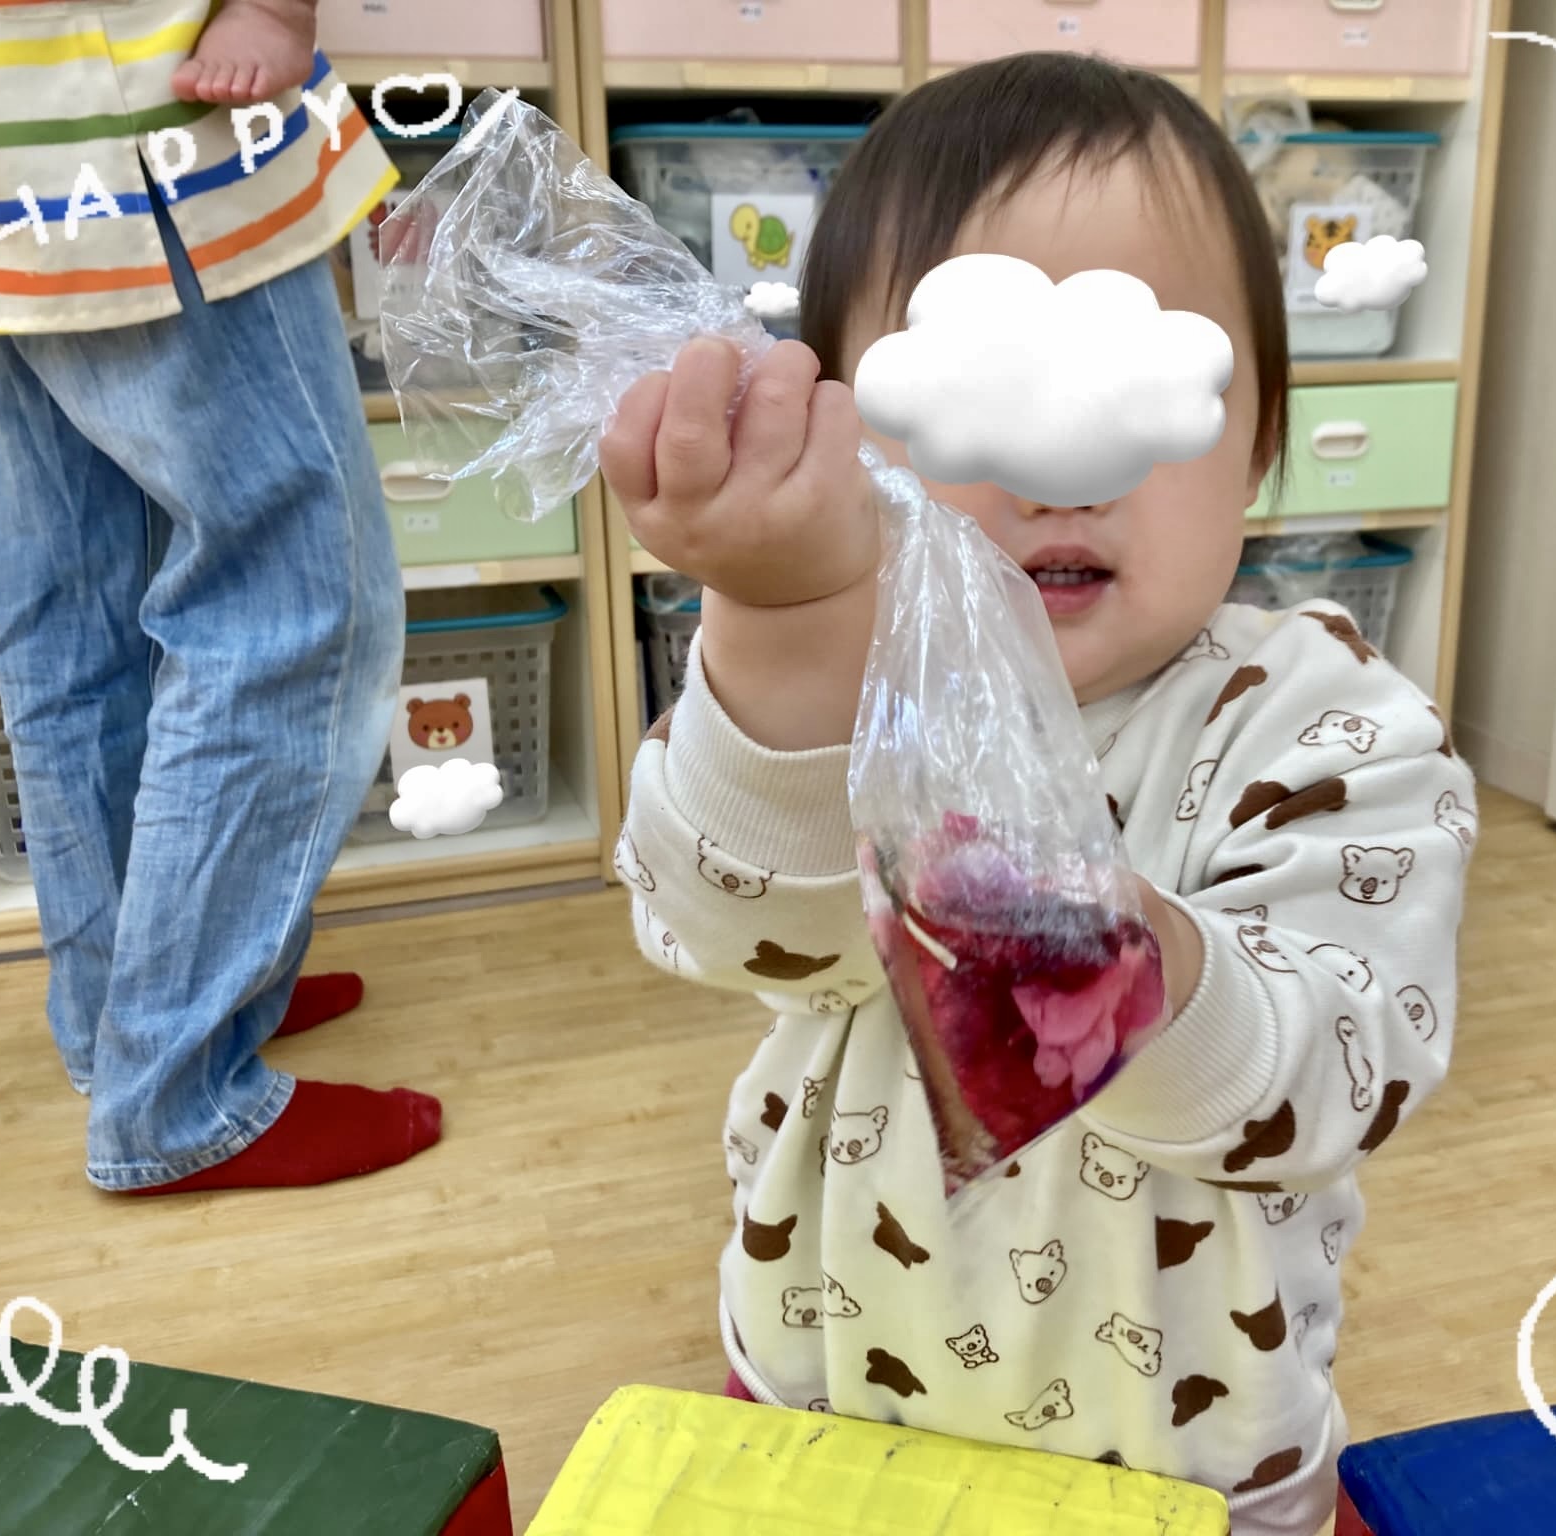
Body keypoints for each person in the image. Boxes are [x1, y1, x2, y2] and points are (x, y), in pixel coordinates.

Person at [601, 52, 1475, 1536]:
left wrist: (1117, 963)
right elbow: (737, 931)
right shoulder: (828, 680)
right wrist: (773, 618)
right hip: (830, 1397)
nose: (1061, 473)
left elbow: (1334, 1082)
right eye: (979, 388)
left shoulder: (1329, 725)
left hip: (1188, 1454)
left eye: (1137, 386)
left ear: (1259, 440)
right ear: (839, 435)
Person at [0, 0, 442, 1192]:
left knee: (75, 604)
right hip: (127, 115)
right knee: (293, 601)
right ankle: (175, 1084)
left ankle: (127, 1015)